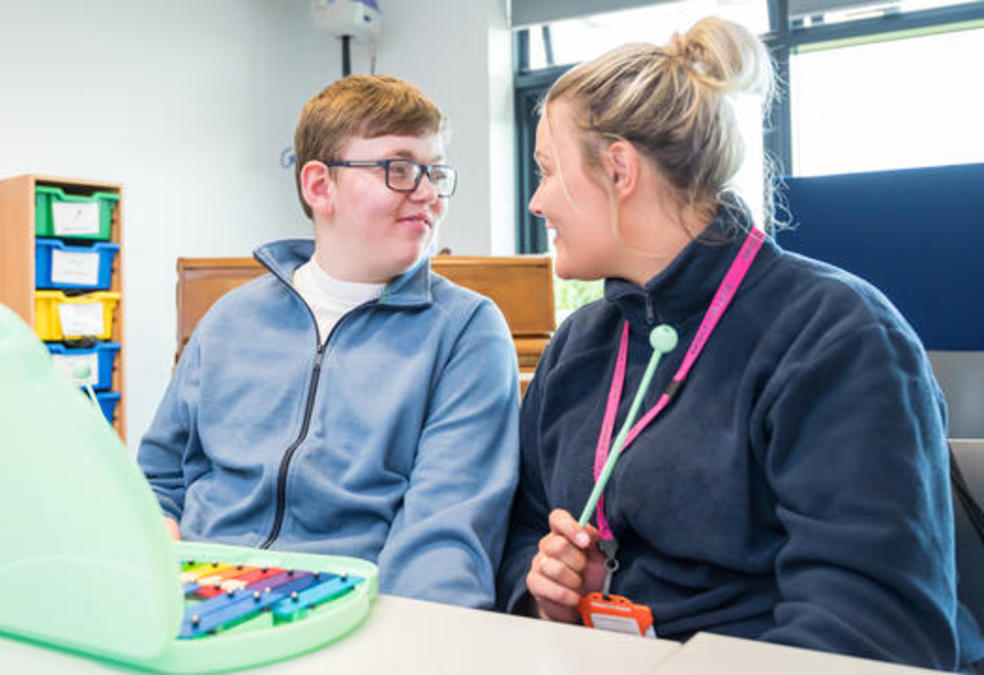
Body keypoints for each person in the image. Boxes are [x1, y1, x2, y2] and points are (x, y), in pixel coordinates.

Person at [496, 16, 984, 670]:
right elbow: (522, 533)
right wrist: (549, 598)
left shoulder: (837, 335)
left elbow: (872, 633)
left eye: (549, 171)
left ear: (619, 170)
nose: (536, 201)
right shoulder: (579, 346)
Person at [139, 75, 520, 609]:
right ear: (320, 187)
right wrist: (159, 548)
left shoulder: (467, 331)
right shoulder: (230, 320)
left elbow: (443, 543)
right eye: (402, 168)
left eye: (435, 171)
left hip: (347, 612)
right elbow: (157, 479)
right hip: (202, 600)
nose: (430, 193)